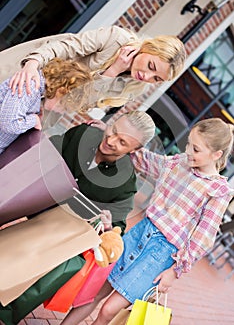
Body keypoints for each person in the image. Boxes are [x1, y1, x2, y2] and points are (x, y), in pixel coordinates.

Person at [61, 117, 234, 325]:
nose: (188, 151)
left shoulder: (219, 191)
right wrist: (111, 133)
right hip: (138, 234)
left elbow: (203, 238)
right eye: (189, 144)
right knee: (92, 293)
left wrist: (175, 270)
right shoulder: (178, 163)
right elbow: (143, 159)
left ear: (217, 155)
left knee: (108, 310)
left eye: (196, 149)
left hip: (160, 255)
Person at [1, 26, 186, 107]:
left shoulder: (133, 86)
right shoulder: (117, 38)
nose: (147, 76)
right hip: (30, 71)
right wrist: (32, 65)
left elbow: (82, 102)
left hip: (40, 104)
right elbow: (66, 47)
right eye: (151, 66)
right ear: (148, 47)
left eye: (156, 78)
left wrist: (113, 71)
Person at [50, 110, 156, 233]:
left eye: (122, 142)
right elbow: (46, 149)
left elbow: (117, 229)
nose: (110, 141)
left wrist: (108, 227)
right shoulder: (84, 133)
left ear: (134, 150)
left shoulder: (125, 185)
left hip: (58, 230)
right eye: (114, 131)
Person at [0, 58, 92, 154]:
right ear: (60, 91)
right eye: (63, 107)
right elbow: (9, 124)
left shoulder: (37, 92)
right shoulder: (30, 86)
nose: (60, 112)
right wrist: (34, 120)